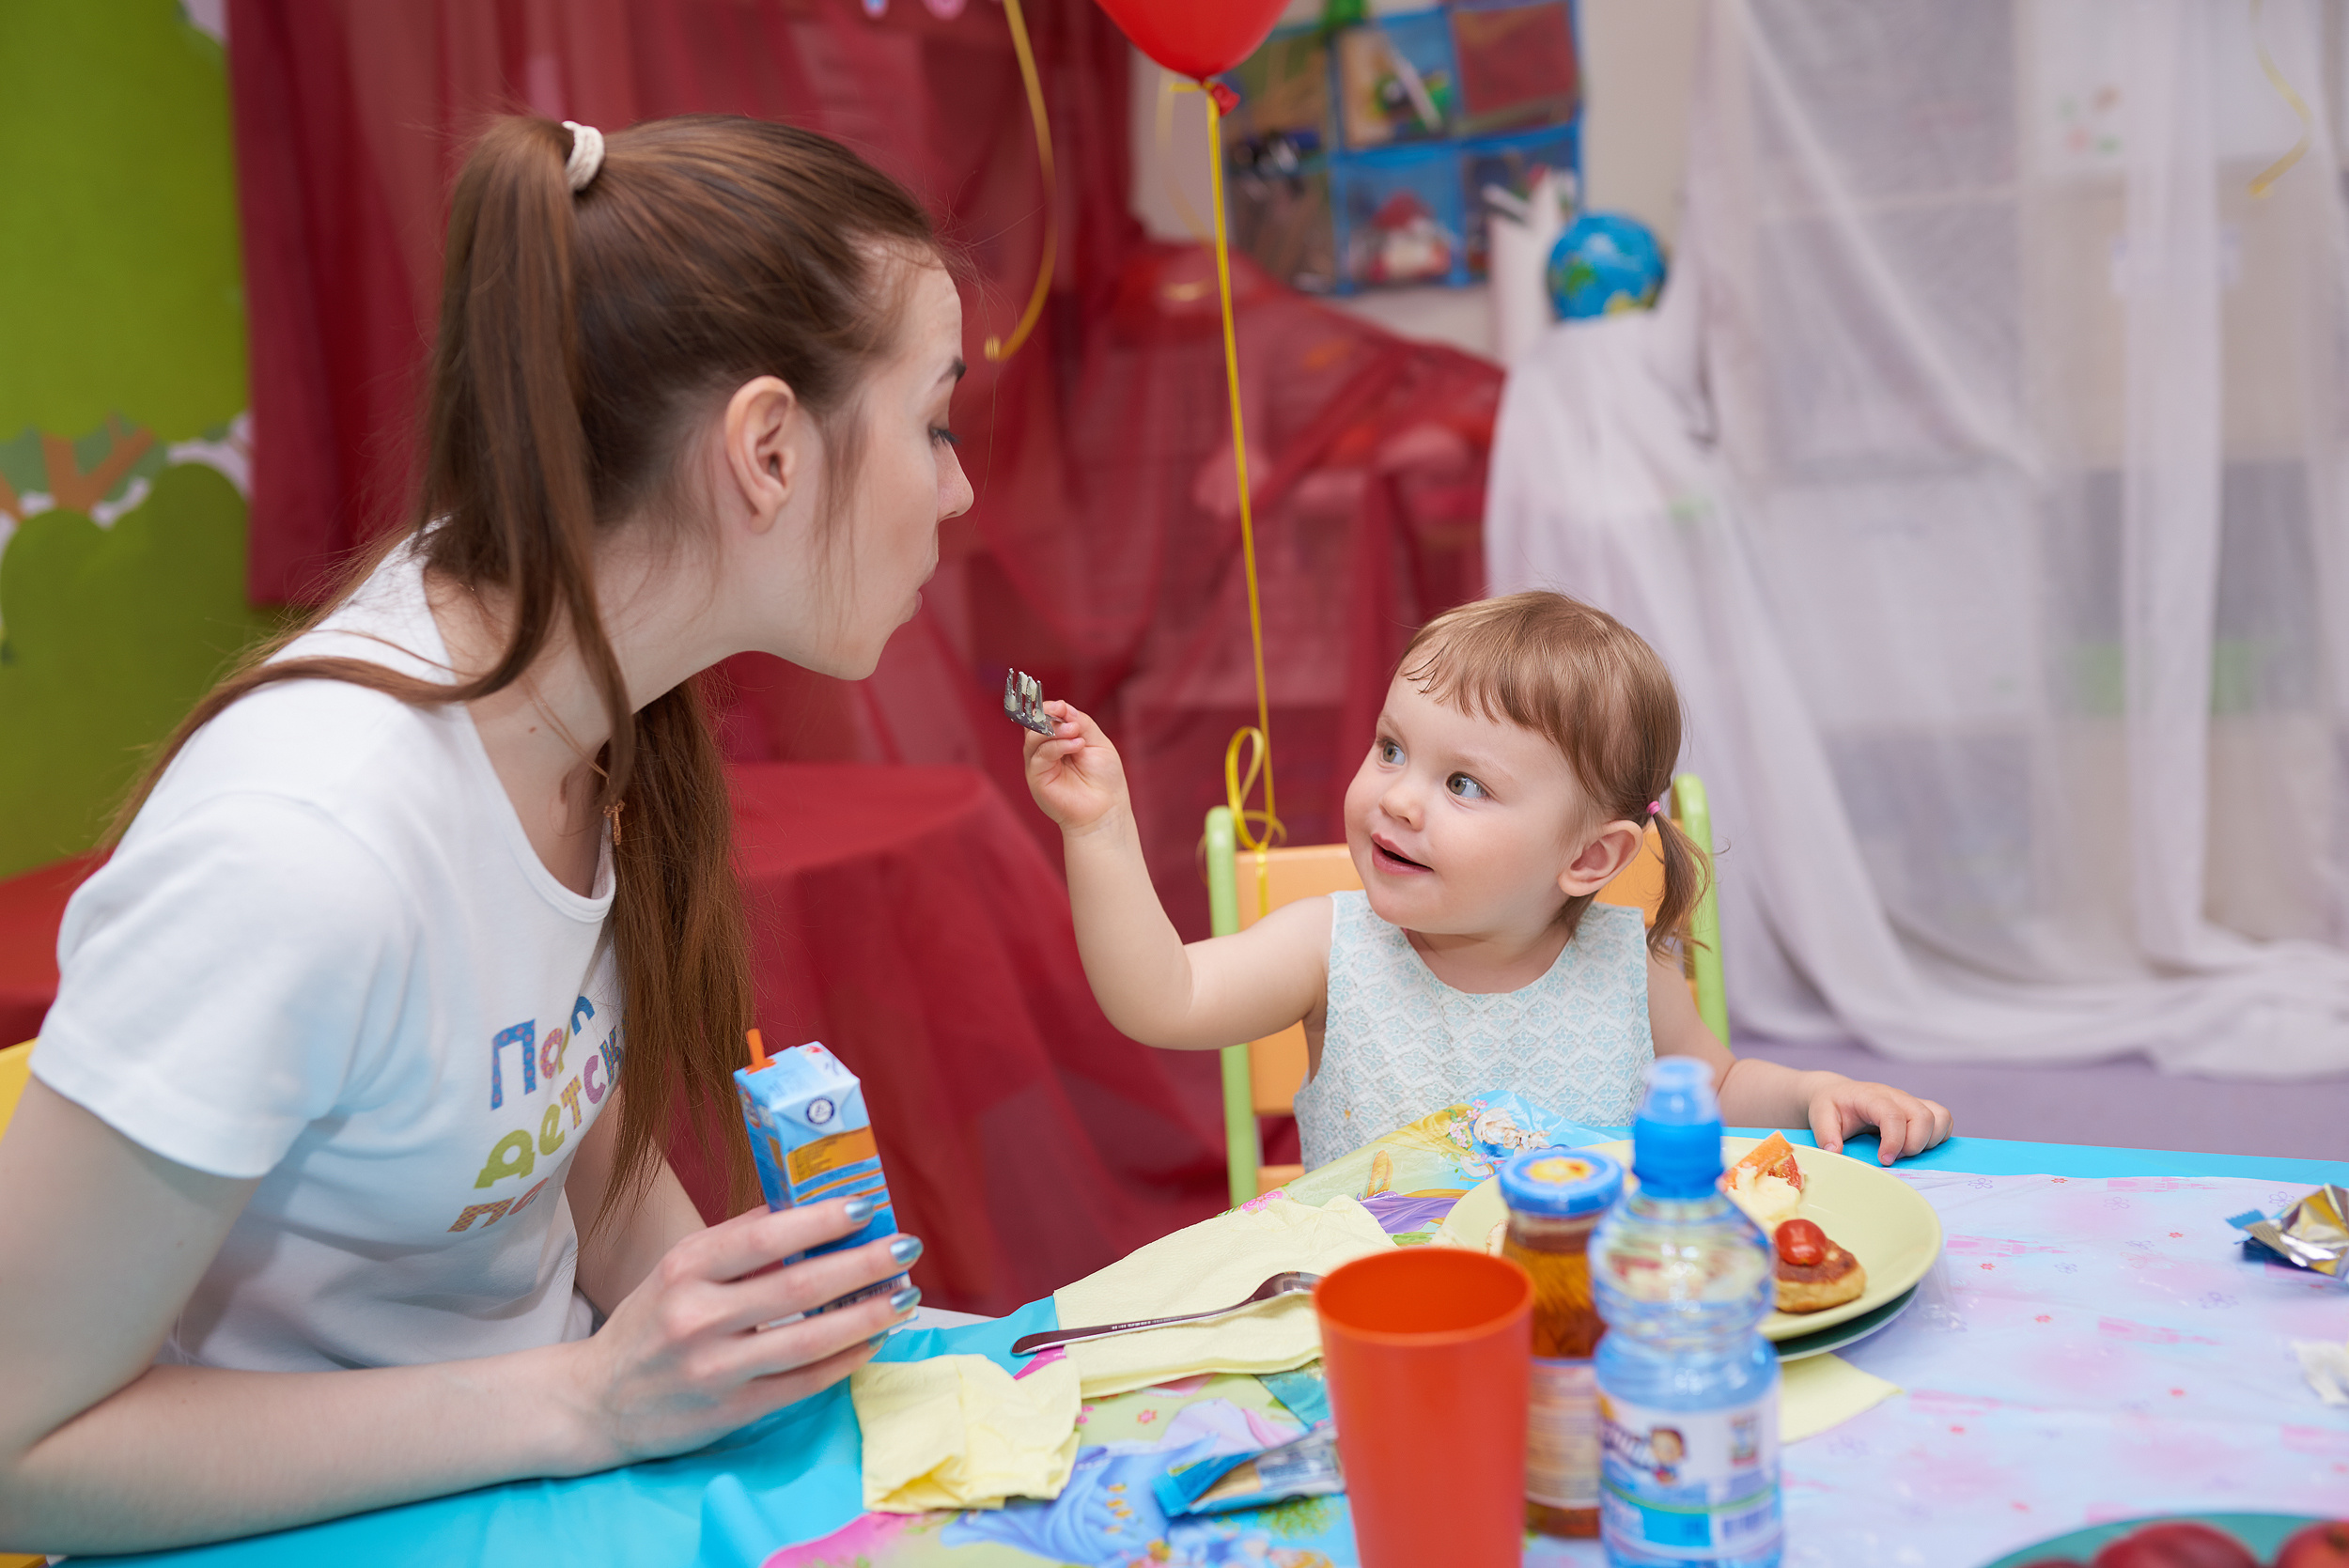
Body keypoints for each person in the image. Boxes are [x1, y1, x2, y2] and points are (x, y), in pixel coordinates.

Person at [0, 115, 973, 1555]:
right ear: (767, 447)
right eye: (938, 420)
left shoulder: (590, 702)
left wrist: (722, 1335)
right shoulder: (303, 846)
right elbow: (23, 1453)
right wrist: (592, 1396)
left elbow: (562, 1131)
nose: (956, 487)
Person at [1023, 591, 1953, 1172]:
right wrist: (1100, 828)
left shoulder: (1617, 960)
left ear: (1588, 859)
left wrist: (1809, 1094)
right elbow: (1164, 997)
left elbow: (1718, 1084)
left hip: (1574, 1323)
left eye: (1463, 783)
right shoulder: (1328, 944)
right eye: (1392, 749)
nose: (1399, 799)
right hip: (1373, 1336)